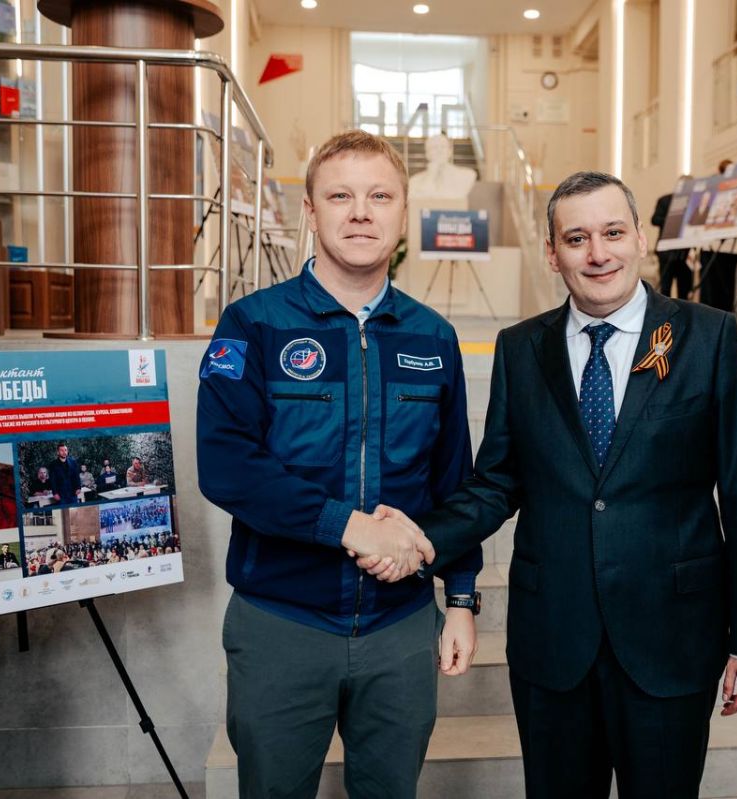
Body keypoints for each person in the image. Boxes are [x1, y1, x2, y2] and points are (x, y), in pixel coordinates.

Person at [364, 171, 737, 798]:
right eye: (577, 238)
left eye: (612, 233)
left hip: (671, 638)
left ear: (639, 238)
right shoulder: (520, 349)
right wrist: (422, 537)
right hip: (553, 641)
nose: (597, 253)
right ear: (552, 252)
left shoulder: (709, 336)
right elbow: (495, 483)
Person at [196, 129, 483, 799]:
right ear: (310, 211)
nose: (360, 213)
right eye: (340, 196)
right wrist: (350, 526)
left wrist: (462, 598)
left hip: (400, 627)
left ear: (403, 213)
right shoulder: (253, 324)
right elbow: (228, 464)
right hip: (282, 622)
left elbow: (454, 480)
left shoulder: (433, 337)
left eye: (380, 196)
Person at [651, 176, 694, 300]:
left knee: (684, 289)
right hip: (667, 251)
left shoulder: (693, 202)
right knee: (665, 288)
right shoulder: (665, 200)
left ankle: (683, 312)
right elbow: (655, 219)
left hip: (685, 252)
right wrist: (674, 220)